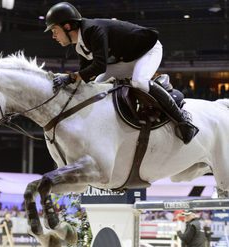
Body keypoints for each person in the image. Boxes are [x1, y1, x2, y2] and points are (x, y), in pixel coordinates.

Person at [44, 2, 198, 144]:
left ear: (67, 26)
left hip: (148, 50)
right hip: (127, 59)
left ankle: (182, 120)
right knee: (96, 83)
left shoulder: (93, 30)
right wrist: (69, 81)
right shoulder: (80, 45)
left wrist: (70, 77)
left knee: (139, 82)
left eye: (54, 30)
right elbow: (86, 75)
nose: (53, 36)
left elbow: (99, 65)